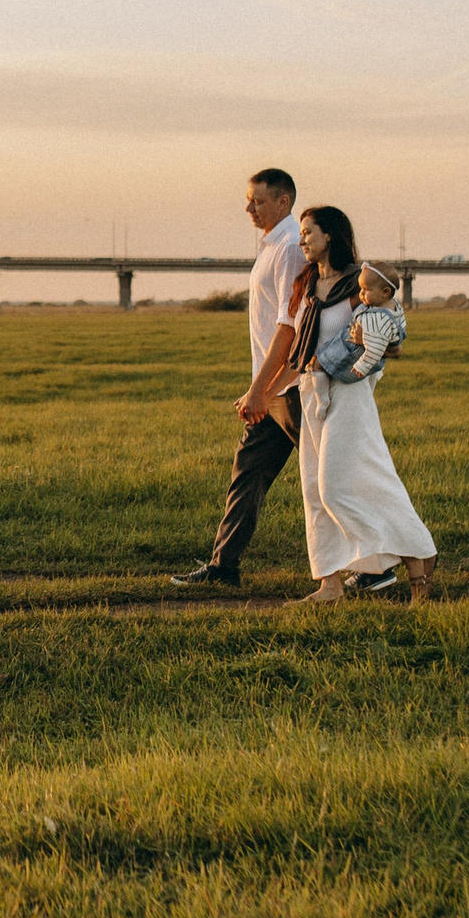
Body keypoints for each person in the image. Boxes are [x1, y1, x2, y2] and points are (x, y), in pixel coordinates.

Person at [276, 206, 437, 603]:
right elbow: (302, 347)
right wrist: (271, 389)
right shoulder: (309, 284)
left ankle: (415, 553)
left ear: (329, 236)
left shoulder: (358, 284)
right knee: (315, 491)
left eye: (308, 233)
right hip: (312, 390)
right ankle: (330, 584)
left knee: (337, 490)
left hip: (348, 392)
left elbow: (392, 343)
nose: (302, 240)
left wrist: (368, 349)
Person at [171, 168, 304, 586]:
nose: (249, 207)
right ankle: (223, 567)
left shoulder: (289, 250)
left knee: (329, 480)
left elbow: (289, 327)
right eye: (249, 200)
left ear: (283, 202)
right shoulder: (270, 247)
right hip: (273, 391)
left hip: (293, 389)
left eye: (258, 200)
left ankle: (373, 567)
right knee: (248, 470)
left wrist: (259, 389)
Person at [305, 269, 405, 413]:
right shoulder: (391, 308)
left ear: (385, 292)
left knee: (318, 364)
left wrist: (362, 365)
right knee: (371, 376)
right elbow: (399, 328)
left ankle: (322, 401)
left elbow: (376, 349)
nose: (361, 294)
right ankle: (368, 397)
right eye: (361, 289)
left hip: (352, 352)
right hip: (369, 361)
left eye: (366, 290)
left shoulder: (377, 317)